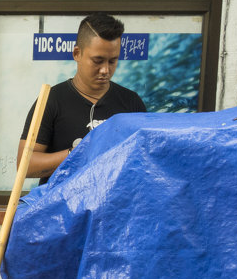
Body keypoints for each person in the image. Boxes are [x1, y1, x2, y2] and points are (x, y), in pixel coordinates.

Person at [17, 13, 147, 184]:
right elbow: (25, 166)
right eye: (97, 61)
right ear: (77, 53)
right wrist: (77, 152)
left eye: (112, 61)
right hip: (61, 207)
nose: (105, 70)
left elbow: (144, 161)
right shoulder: (51, 100)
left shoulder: (131, 102)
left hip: (113, 206)